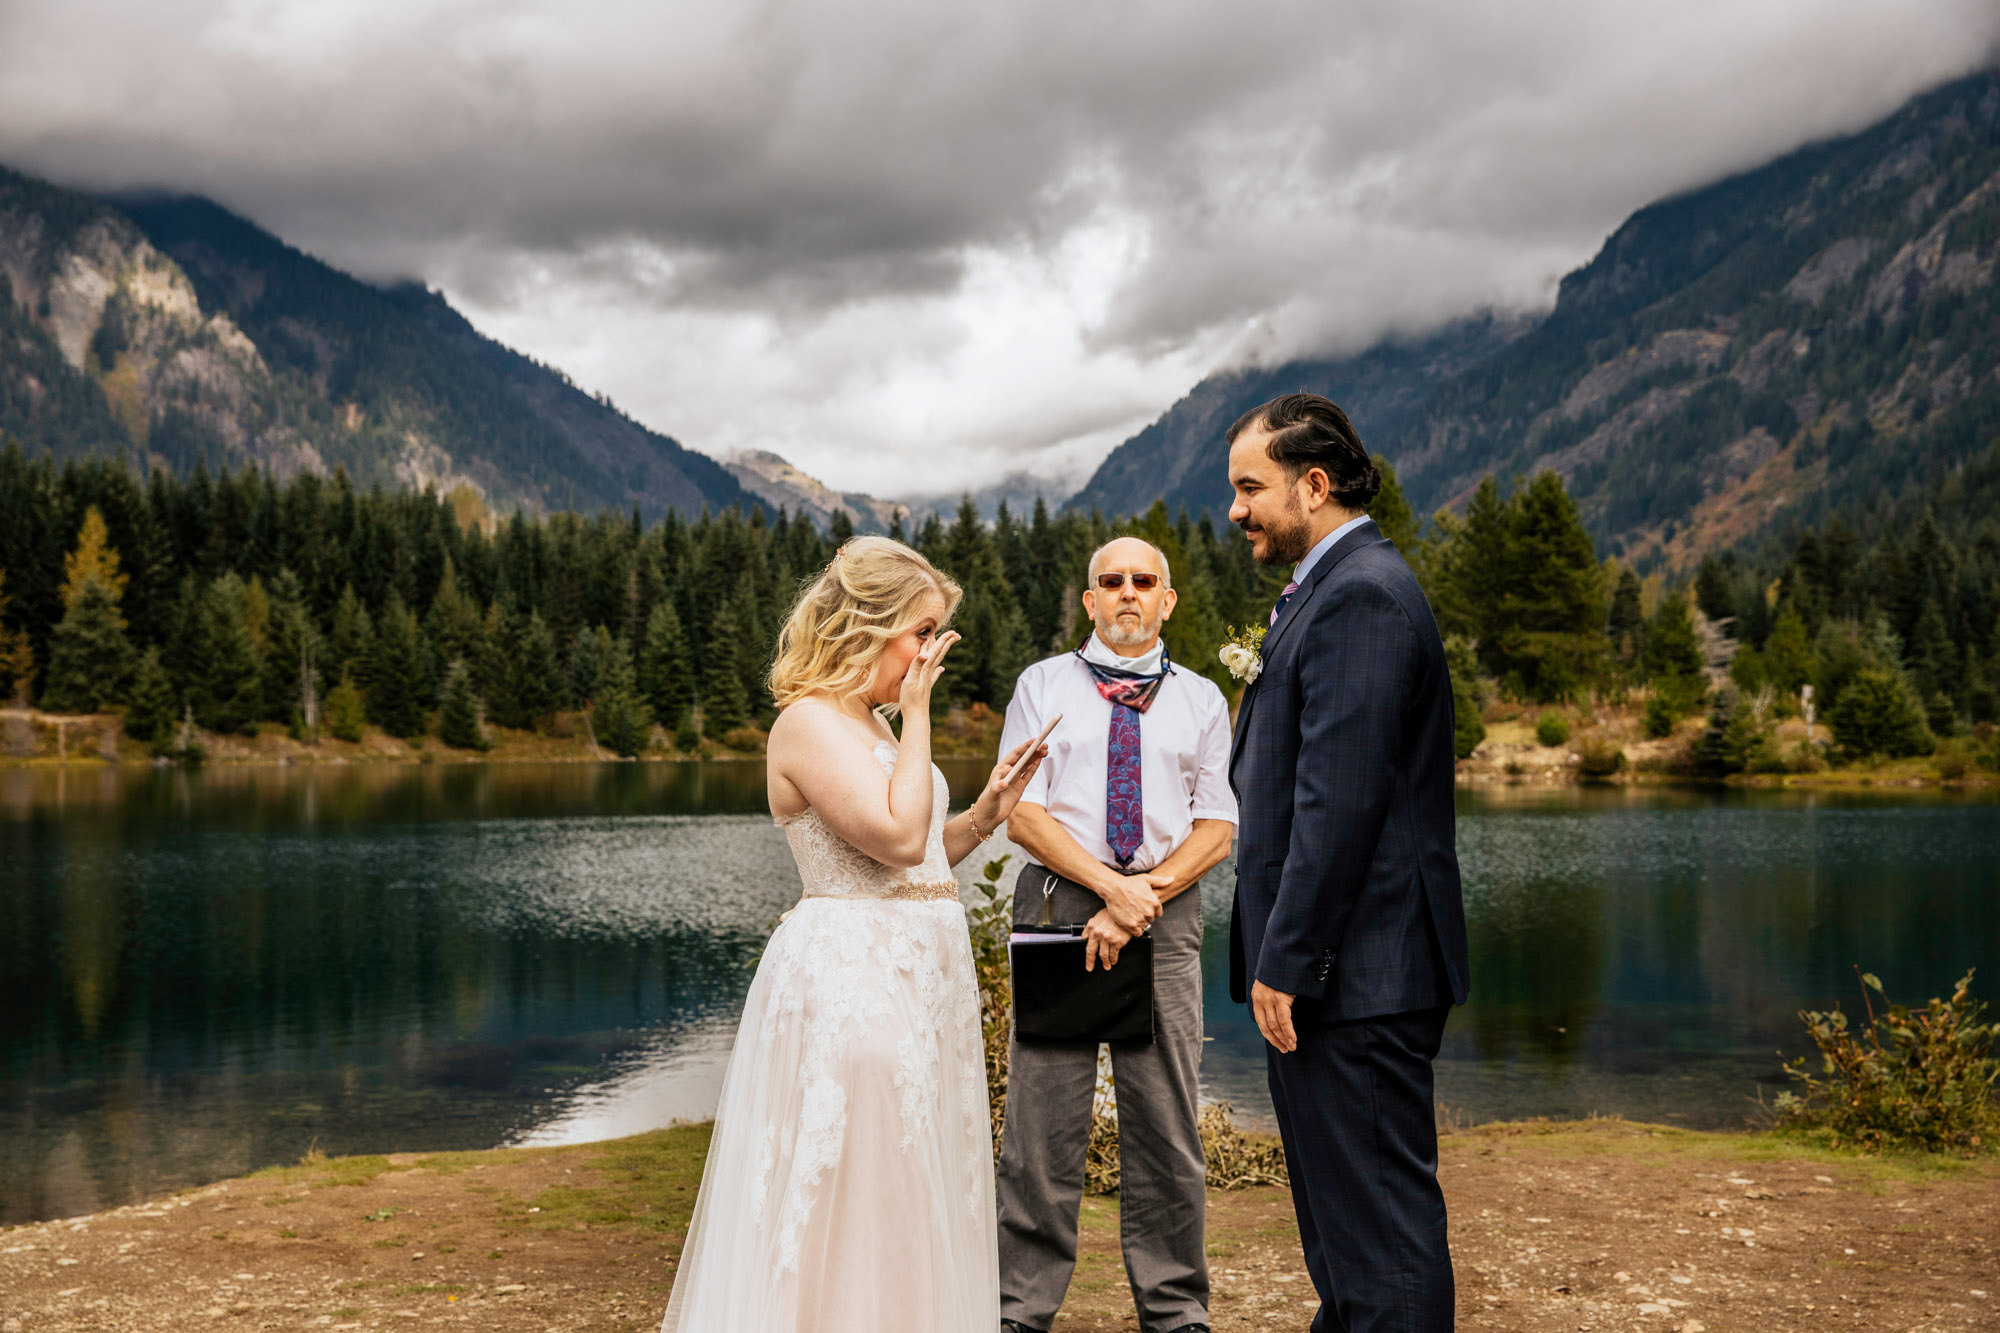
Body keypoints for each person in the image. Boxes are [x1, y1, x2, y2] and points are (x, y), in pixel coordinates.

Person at [660, 536, 1049, 1333]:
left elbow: (921, 859)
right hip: (852, 988)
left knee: (915, 1188)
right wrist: (917, 714)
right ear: (869, 625)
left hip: (920, 986)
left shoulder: (869, 722)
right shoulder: (807, 724)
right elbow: (897, 837)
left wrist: (983, 814)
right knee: (863, 1187)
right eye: (923, 630)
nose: (931, 652)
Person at [1224, 393, 1471, 1333]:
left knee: (1381, 1241)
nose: (1238, 509)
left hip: (1355, 974)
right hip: (1348, 970)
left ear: (1313, 484)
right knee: (1346, 1237)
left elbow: (1343, 800)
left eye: (1252, 487)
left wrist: (1287, 960)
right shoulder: (1333, 586)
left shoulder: (1361, 593)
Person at [995, 536, 1236, 1333]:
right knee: (1042, 1127)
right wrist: (1107, 889)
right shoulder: (1042, 686)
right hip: (1060, 908)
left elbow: (1217, 826)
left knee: (1167, 1122)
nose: (1127, 591)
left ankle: (1175, 1311)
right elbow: (1021, 813)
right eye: (1111, 581)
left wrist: (1142, 896)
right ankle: (1019, 1310)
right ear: (1090, 601)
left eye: (1144, 580)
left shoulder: (1202, 699)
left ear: (1167, 601)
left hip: (1165, 919)